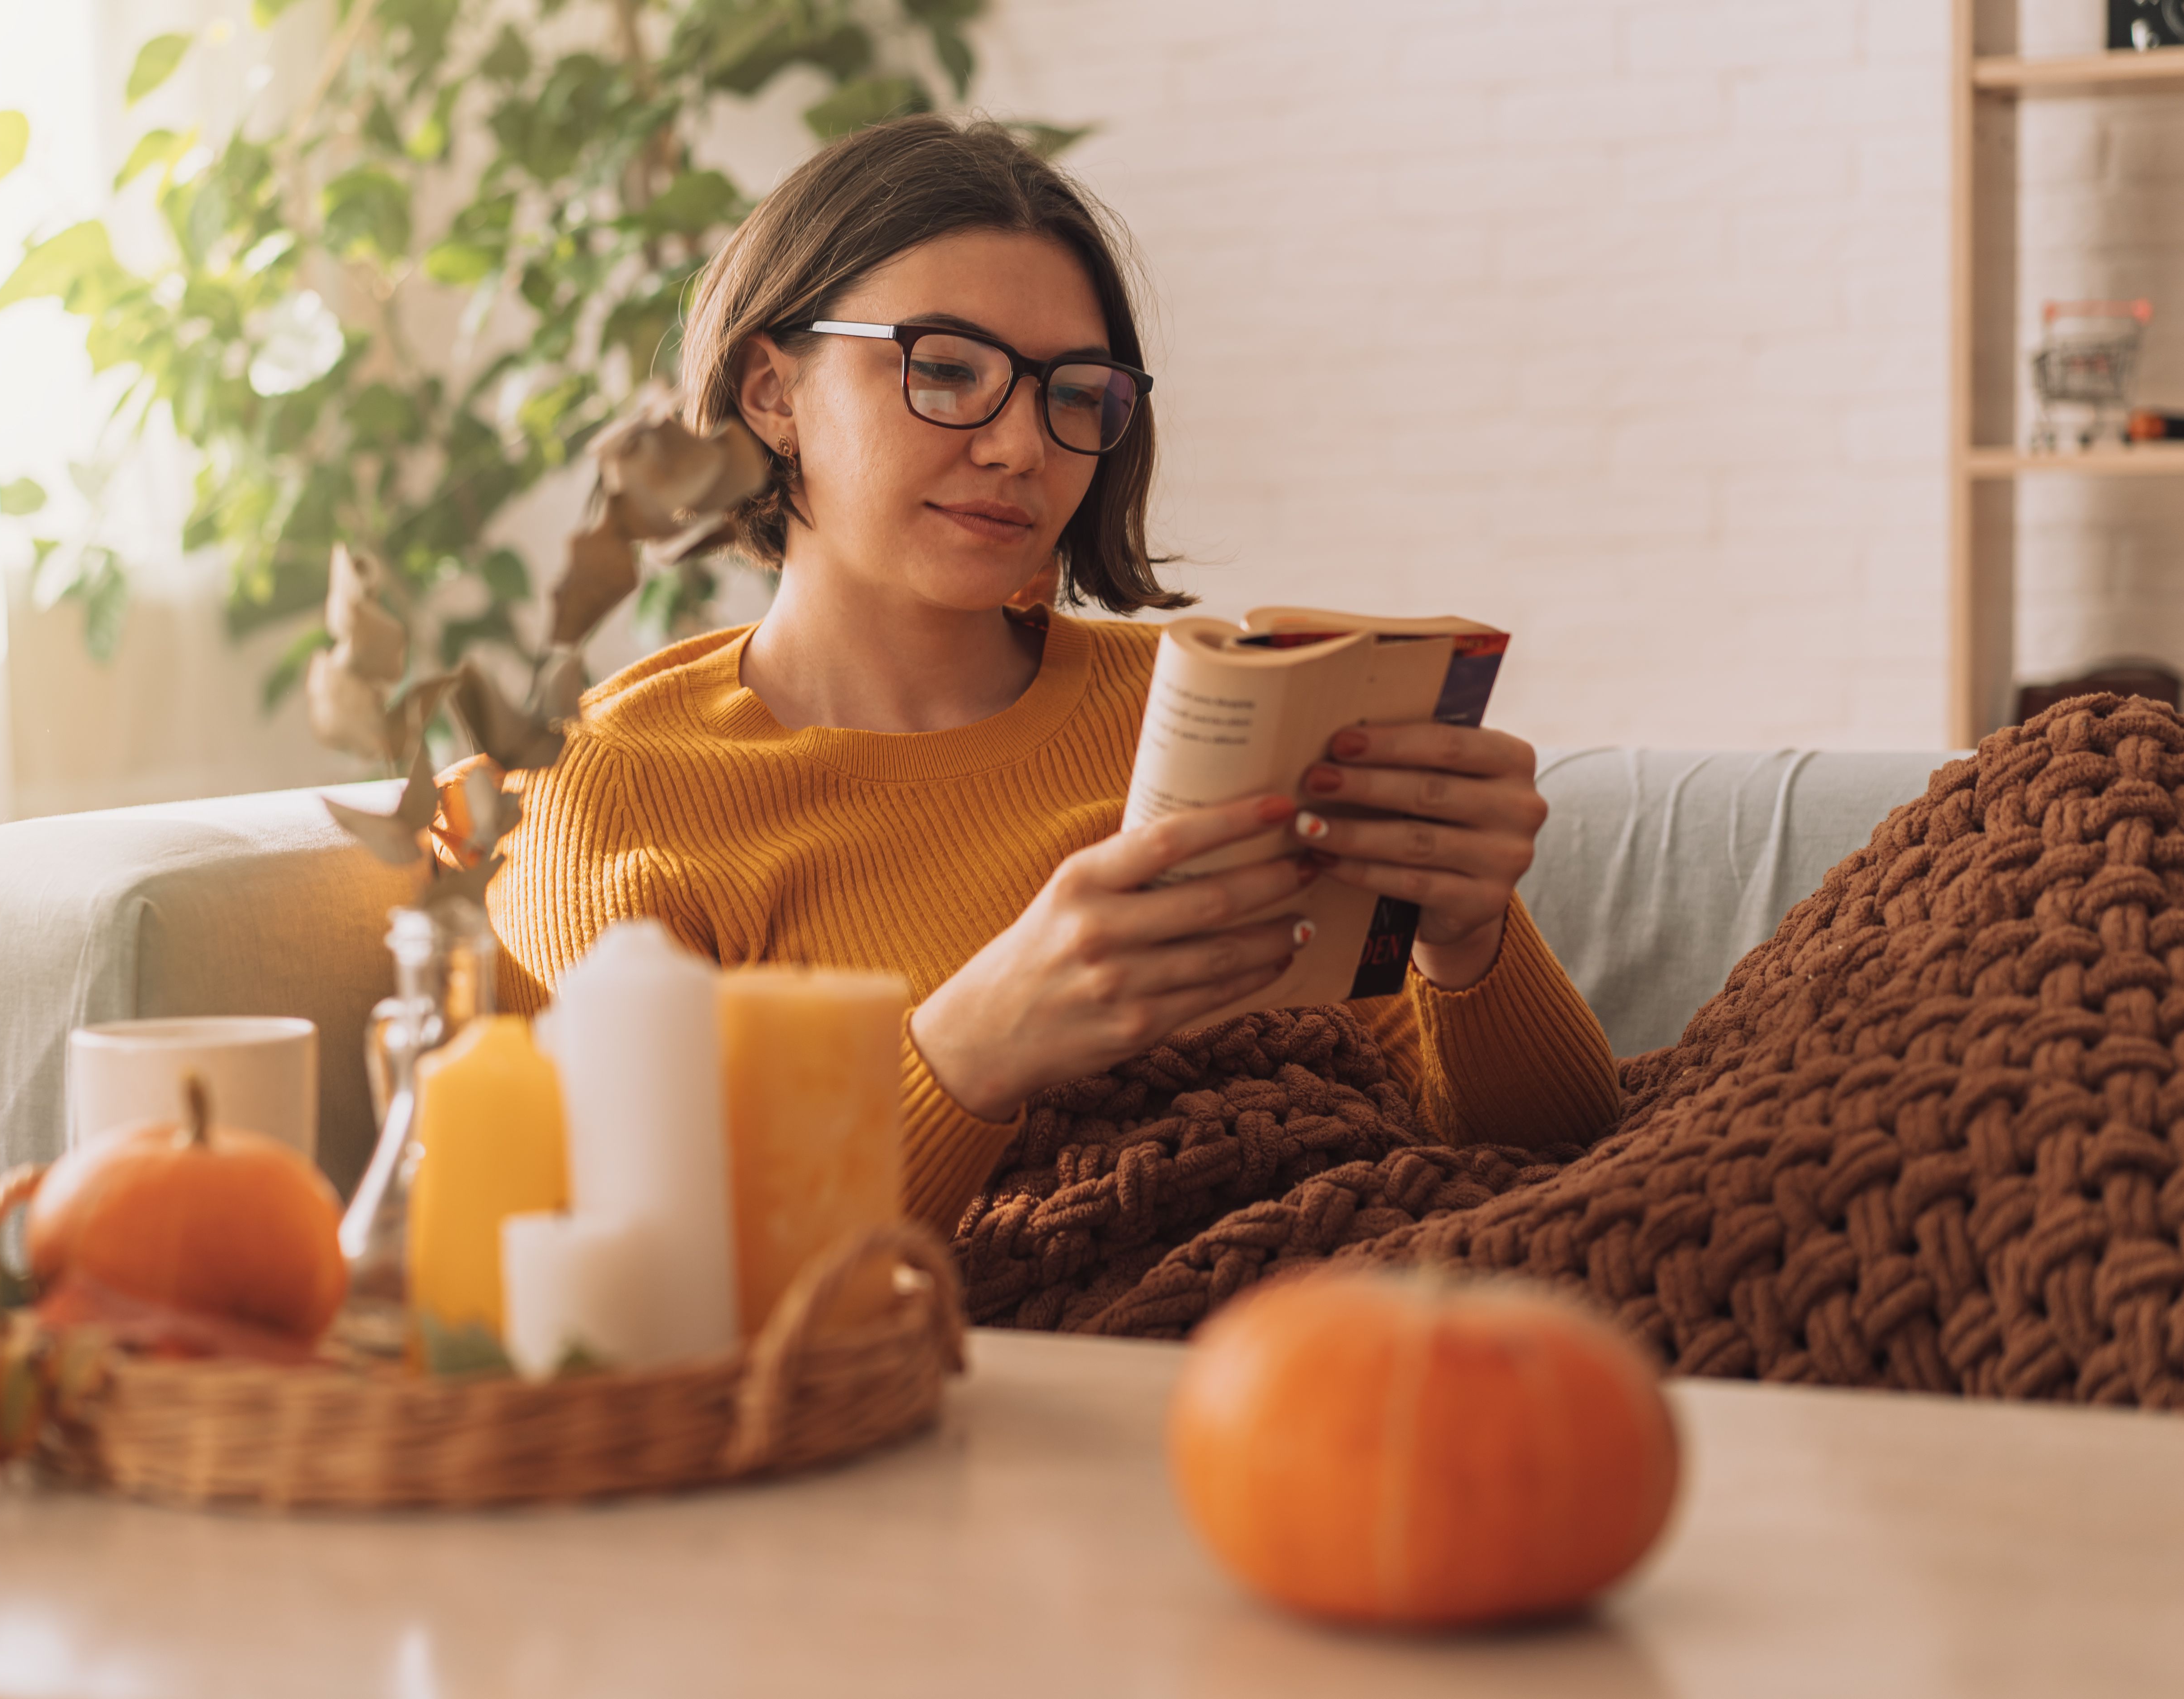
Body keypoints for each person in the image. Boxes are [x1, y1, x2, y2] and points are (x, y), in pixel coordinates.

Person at [440, 115, 1619, 1233]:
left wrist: (1469, 937)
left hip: (1392, 1263)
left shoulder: (1206, 708)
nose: (1021, 446)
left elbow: (1556, 1157)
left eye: (1075, 395)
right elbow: (645, 1274)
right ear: (771, 393)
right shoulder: (607, 793)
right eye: (947, 371)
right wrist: (968, 1052)